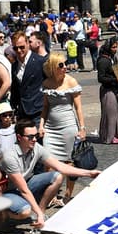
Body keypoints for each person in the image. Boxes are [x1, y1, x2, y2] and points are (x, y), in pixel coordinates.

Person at [40, 51, 86, 202]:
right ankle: (51, 193)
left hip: (68, 126)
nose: (65, 67)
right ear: (53, 67)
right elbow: (45, 107)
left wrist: (82, 128)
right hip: (51, 128)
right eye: (61, 65)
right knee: (48, 162)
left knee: (69, 161)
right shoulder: (47, 83)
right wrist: (41, 125)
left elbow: (79, 107)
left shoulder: (71, 82)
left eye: (65, 64)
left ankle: (67, 194)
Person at [95, 36, 118, 145]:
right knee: (110, 115)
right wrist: (115, 79)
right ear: (108, 47)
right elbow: (101, 78)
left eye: (116, 47)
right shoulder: (103, 60)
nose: (115, 49)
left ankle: (116, 135)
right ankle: (108, 137)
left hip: (117, 88)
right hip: (108, 90)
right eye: (113, 47)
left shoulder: (114, 58)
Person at [10, 31, 47, 125]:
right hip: (22, 112)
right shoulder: (14, 65)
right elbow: (15, 89)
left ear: (27, 43)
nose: (18, 51)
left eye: (21, 47)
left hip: (38, 111)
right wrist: (13, 108)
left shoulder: (40, 61)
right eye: (15, 48)